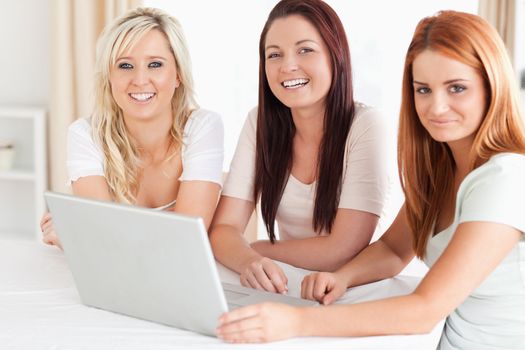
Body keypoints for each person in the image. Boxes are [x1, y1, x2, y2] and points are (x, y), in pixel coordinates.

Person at [216, 10, 525, 348]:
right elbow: (393, 249)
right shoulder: (442, 172)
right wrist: (342, 277)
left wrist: (296, 321)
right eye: (423, 90)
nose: (436, 107)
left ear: (491, 86)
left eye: (456, 88)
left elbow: (424, 311)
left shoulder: (506, 178)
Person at [209, 0, 390, 294]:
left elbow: (341, 250)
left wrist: (258, 250)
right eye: (274, 55)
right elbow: (223, 230)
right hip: (289, 283)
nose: (287, 66)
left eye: (305, 50)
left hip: (351, 290)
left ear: (336, 56)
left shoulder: (366, 125)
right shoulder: (259, 122)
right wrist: (248, 262)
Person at [41, 7, 224, 249]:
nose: (139, 80)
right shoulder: (86, 135)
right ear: (109, 76)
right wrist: (91, 235)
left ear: (178, 74)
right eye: (125, 66)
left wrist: (78, 236)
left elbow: (184, 244)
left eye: (155, 64)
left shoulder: (203, 128)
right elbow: (101, 240)